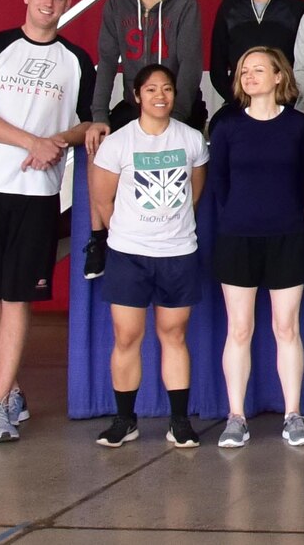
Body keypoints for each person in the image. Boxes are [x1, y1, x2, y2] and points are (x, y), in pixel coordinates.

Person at [0, 0, 104, 443]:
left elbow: (87, 123)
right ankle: (11, 389)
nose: (48, 2)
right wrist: (31, 142)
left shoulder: (78, 61)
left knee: (19, 294)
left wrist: (55, 141)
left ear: (67, 2)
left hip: (38, 193)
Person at [89, 65, 210, 449]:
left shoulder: (191, 139)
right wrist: (129, 235)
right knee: (127, 337)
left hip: (178, 253)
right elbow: (102, 200)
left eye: (168, 88)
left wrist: (167, 229)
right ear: (137, 95)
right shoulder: (118, 143)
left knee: (174, 334)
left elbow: (195, 192)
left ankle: (179, 423)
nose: (161, 95)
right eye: (152, 89)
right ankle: (125, 420)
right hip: (129, 256)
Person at [208, 47, 304, 449]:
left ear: (278, 77)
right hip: (237, 239)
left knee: (286, 328)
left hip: (287, 236)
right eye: (244, 70)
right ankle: (236, 417)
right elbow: (219, 185)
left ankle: (292, 415)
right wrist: (241, 214)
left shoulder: (299, 126)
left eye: (258, 69)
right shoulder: (227, 127)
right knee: (240, 329)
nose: (249, 76)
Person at [94, 0, 204, 128]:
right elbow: (107, 62)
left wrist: (176, 116)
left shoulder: (185, 3)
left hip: (178, 106)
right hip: (135, 105)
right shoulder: (116, 5)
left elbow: (190, 63)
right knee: (103, 143)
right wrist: (100, 115)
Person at [209, 0, 304, 118]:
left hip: (285, 107)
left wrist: (282, 103)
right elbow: (218, 68)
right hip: (238, 106)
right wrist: (240, 102)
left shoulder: (299, 10)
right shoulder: (230, 9)